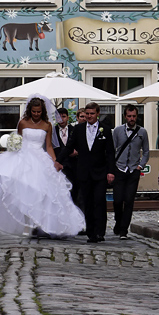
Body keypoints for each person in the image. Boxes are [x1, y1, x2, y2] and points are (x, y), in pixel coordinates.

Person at [0, 96, 85, 237]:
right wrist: (11, 150)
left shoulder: (47, 125)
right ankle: (26, 225)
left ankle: (38, 224)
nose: (36, 114)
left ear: (42, 111)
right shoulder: (23, 123)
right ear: (29, 110)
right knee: (23, 191)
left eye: (38, 112)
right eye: (33, 111)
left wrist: (55, 161)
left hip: (40, 159)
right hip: (23, 157)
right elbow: (18, 140)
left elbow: (49, 146)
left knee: (41, 193)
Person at [59, 102, 115, 244]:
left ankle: (100, 232)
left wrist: (110, 171)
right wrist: (58, 160)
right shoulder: (78, 129)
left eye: (92, 114)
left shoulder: (106, 130)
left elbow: (110, 153)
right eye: (87, 114)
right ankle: (91, 233)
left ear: (98, 114)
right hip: (84, 172)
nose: (89, 116)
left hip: (100, 172)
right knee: (88, 202)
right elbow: (69, 146)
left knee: (99, 201)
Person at [112, 105, 150, 240]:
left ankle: (123, 230)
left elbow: (146, 151)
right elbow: (112, 149)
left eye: (134, 116)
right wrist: (112, 167)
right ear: (125, 116)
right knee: (117, 200)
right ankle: (118, 221)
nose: (132, 119)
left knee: (129, 200)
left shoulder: (142, 132)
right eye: (129, 116)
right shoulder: (117, 131)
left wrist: (140, 166)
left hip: (133, 170)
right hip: (119, 168)